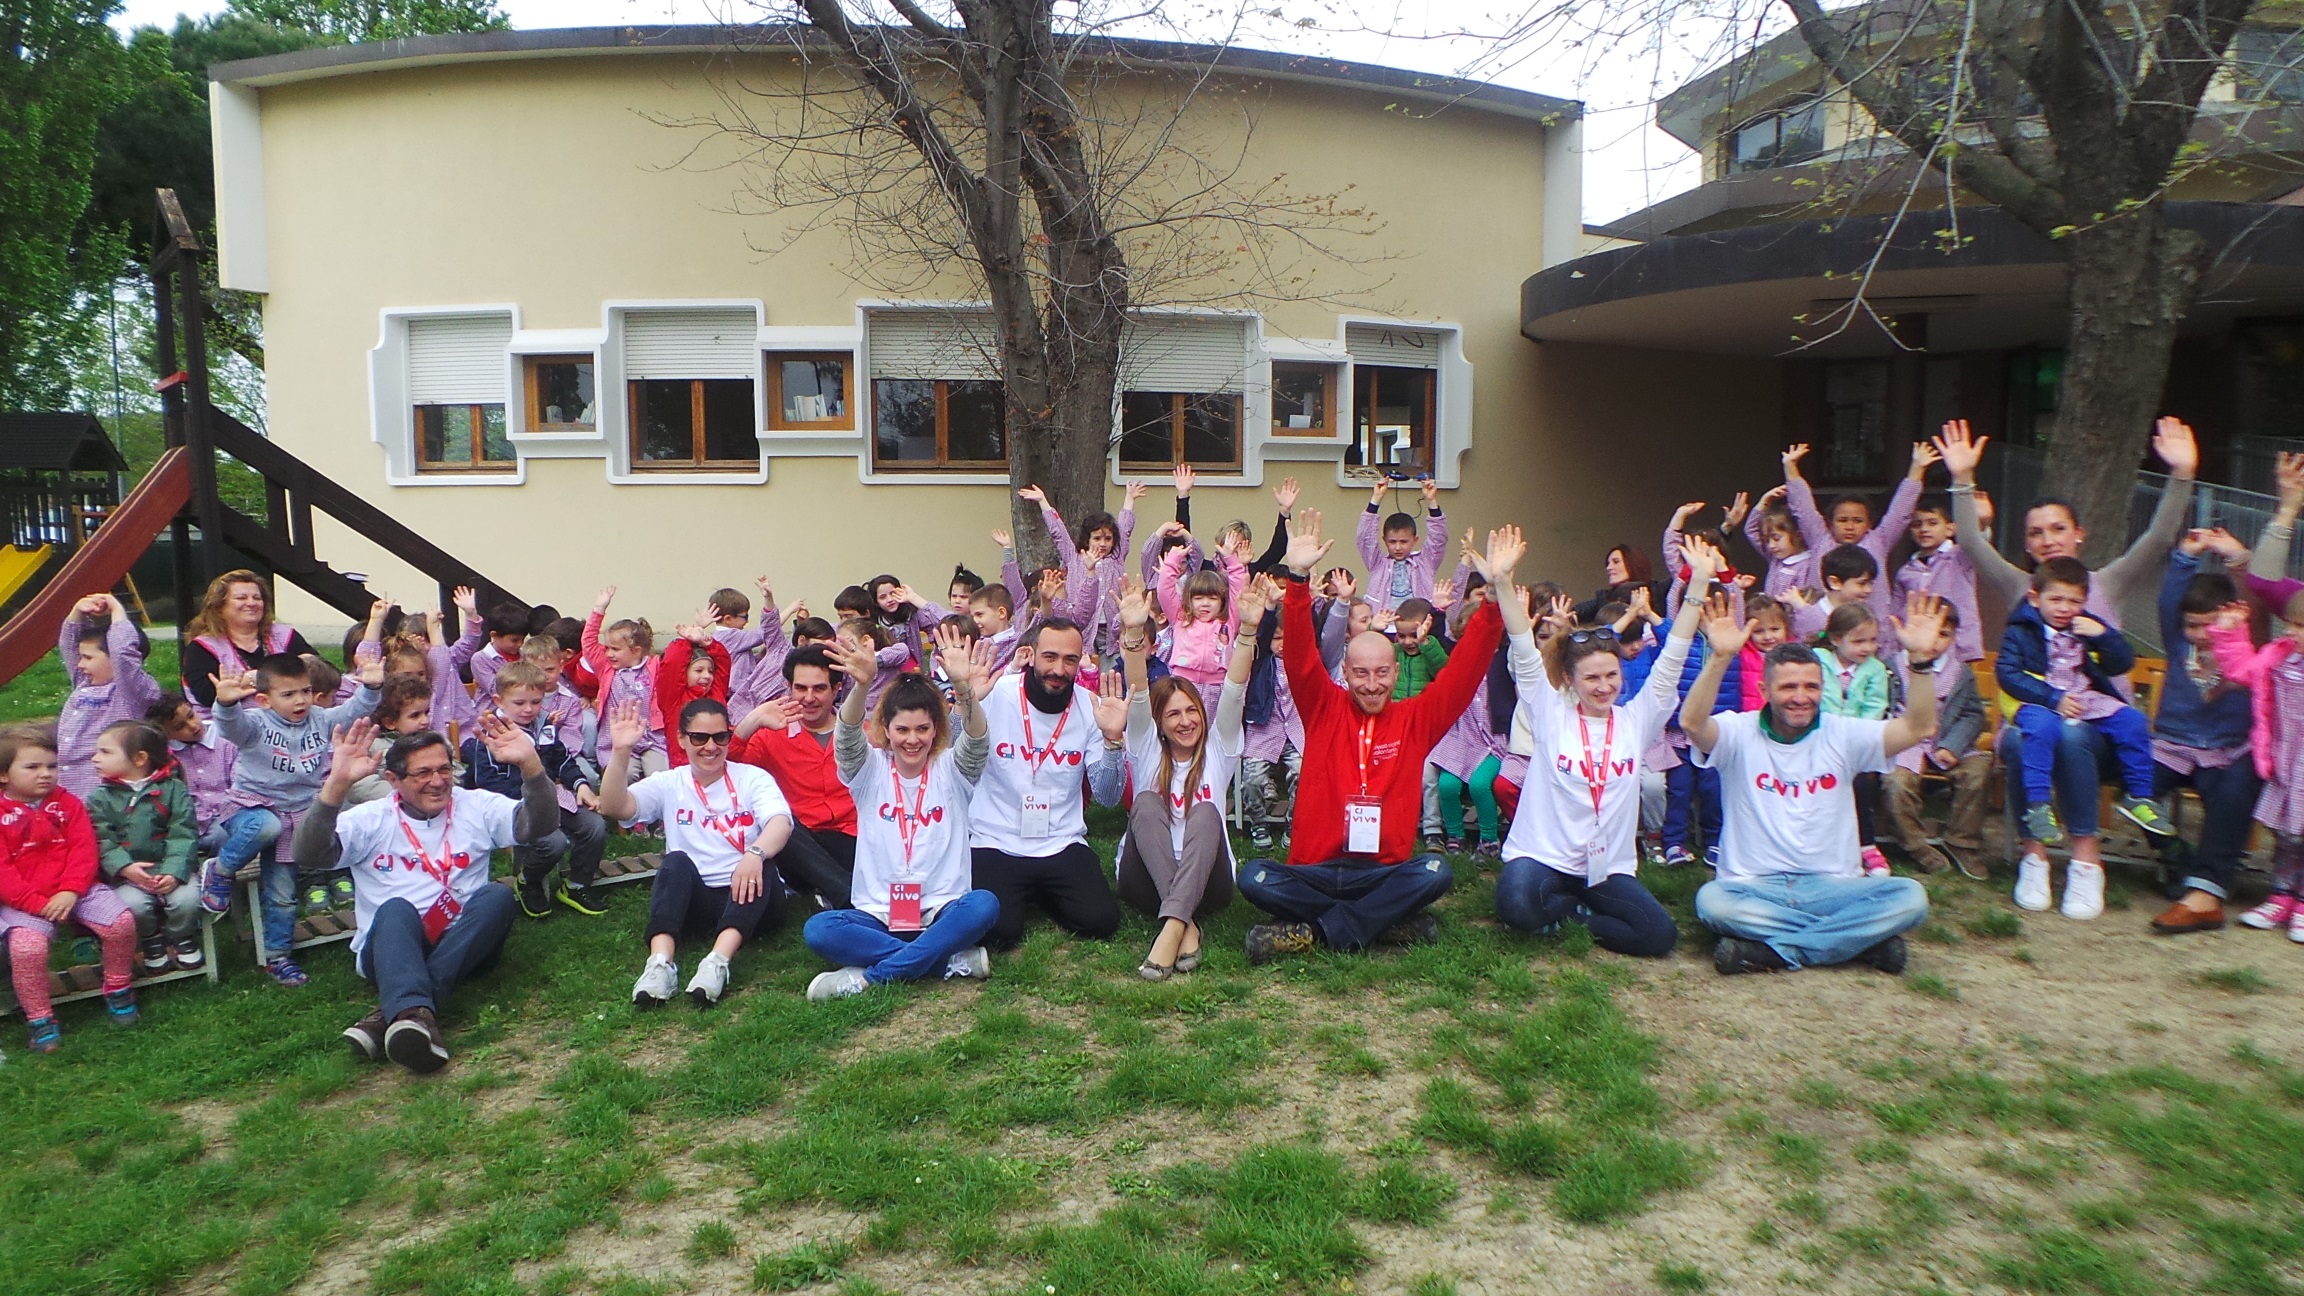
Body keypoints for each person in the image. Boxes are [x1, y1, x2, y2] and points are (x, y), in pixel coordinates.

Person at [1236, 512, 1509, 963]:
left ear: (1396, 672)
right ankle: (1384, 923)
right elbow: (1302, 657)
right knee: (1254, 878)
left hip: (1382, 871)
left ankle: (1316, 931)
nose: (1371, 684)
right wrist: (1299, 580)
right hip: (1315, 870)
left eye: (1382, 673)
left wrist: (1495, 599)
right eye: (1360, 673)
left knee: (1437, 869)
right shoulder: (1323, 708)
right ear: (1344, 673)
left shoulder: (1415, 719)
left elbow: (1463, 674)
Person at [1937, 417, 2197, 877]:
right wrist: (1961, 481)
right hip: (2036, 721)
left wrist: (2181, 475)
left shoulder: (2108, 584)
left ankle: (2084, 861)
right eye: (2036, 533)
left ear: (2080, 534)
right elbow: (1974, 546)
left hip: (2095, 729)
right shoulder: (2022, 587)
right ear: (2028, 545)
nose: (2047, 540)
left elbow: (2158, 539)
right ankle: (2033, 858)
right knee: (2019, 737)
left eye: (2058, 529)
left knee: (2075, 733)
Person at [1682, 590, 1952, 974]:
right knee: (1712, 903)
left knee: (1911, 897)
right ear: (1764, 691)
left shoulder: (1843, 734)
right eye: (1788, 687)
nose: (1800, 697)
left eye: (1810, 687)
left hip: (1833, 887)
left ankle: (1775, 952)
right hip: (1755, 887)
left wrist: (1921, 663)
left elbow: (1920, 727)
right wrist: (1721, 657)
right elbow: (1692, 723)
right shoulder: (1738, 733)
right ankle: (1857, 944)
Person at [1491, 532, 1724, 955]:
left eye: (1611, 676)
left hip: (1605, 868)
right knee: (1516, 903)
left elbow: (1672, 657)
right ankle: (1573, 912)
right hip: (1543, 857)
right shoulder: (1551, 713)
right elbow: (1525, 653)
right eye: (1592, 678)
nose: (1603, 687)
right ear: (1569, 680)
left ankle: (1573, 917)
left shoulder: (1637, 719)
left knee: (1659, 937)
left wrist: (1698, 587)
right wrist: (1504, 583)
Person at [293, 717, 556, 1074]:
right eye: (422, 773)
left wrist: (531, 766)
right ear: (393, 781)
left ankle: (396, 1015)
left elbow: (539, 826)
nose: (437, 781)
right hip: (391, 950)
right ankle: (416, 1015)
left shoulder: (474, 804)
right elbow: (309, 854)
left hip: (466, 943)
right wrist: (336, 786)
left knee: (497, 896)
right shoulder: (371, 817)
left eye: (444, 769)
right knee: (397, 910)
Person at [803, 627, 1001, 998]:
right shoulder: (869, 770)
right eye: (903, 729)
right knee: (819, 929)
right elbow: (845, 738)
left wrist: (962, 687)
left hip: (942, 911)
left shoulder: (952, 769)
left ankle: (868, 978)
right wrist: (861, 686)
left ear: (936, 729)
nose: (913, 739)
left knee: (983, 905)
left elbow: (977, 741)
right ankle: (946, 962)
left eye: (923, 729)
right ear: (886, 730)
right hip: (878, 914)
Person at [1997, 556, 2174, 918]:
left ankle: (2139, 797)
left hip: (2085, 702)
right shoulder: (2020, 631)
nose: (2065, 609)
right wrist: (2052, 699)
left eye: (2074, 601)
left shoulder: (2088, 628)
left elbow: (2120, 664)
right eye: (2056, 600)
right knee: (2036, 733)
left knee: (2133, 722)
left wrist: (2106, 636)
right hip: (2043, 701)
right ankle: (2038, 814)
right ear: (2035, 598)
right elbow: (2008, 673)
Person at [1115, 573, 1267, 978]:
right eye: (1173, 714)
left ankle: (1171, 931)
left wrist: (1248, 630)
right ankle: (1185, 925)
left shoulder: (1220, 748)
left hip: (1209, 881)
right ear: (1159, 724)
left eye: (1192, 711)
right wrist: (1133, 633)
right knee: (1146, 803)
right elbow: (1139, 690)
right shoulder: (1145, 747)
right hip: (1143, 878)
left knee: (1205, 814)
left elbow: (1234, 688)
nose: (1185, 722)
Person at [199, 652, 383, 985]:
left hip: (296, 814)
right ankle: (220, 869)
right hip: (251, 808)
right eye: (288, 694)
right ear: (263, 700)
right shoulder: (256, 723)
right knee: (266, 824)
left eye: (306, 691)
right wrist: (225, 705)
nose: (300, 700)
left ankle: (277, 957)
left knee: (283, 892)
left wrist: (371, 686)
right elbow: (232, 726)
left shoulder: (321, 719)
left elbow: (355, 710)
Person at [603, 698, 795, 1009]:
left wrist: (755, 853)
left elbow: (780, 822)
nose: (710, 747)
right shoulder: (670, 782)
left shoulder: (751, 777)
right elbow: (615, 807)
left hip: (752, 897)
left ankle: (717, 962)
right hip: (696, 900)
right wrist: (621, 752)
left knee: (764, 864)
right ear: (682, 739)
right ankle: (660, 964)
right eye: (699, 738)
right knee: (674, 862)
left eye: (720, 737)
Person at [969, 616, 1128, 950]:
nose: (1059, 669)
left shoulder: (1091, 706)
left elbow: (1108, 795)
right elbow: (955, 755)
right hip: (996, 839)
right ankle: (1026, 892)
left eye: (1070, 660)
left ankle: (1037, 890)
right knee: (999, 933)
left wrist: (1113, 742)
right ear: (1031, 655)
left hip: (1059, 840)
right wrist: (965, 703)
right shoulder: (997, 693)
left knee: (1100, 921)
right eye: (1050, 657)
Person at [2148, 530, 2273, 933]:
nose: (2200, 633)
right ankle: (2175, 855)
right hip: (2173, 745)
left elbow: (2254, 602)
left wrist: (2239, 561)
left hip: (2227, 750)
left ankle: (2206, 891)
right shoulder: (2178, 642)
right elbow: (2170, 600)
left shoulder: (2243, 643)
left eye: (2208, 624)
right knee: (2136, 788)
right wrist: (2185, 554)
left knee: (2234, 790)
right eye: (2192, 625)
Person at [0, 724, 139, 1052]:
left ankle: (118, 987)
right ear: (3, 775)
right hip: (24, 900)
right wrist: (35, 903)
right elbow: (2, 871)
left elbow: (84, 850)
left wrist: (71, 891)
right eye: (33, 767)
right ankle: (40, 1019)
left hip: (78, 889)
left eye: (51, 766)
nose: (45, 774)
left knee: (120, 923)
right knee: (27, 949)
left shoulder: (68, 804)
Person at [466, 663, 605, 919]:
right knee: (554, 842)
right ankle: (528, 880)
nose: (529, 709)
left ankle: (576, 885)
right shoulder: (491, 732)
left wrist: (580, 785)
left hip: (552, 797)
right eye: (519, 703)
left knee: (594, 826)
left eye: (536, 702)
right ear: (499, 700)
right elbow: (486, 781)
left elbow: (562, 758)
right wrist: (533, 797)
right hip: (516, 805)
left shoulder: (544, 723)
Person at [2204, 594, 2304, 940]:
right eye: (2291, 623)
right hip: (2286, 763)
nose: (2294, 632)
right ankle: (2281, 896)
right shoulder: (2279, 658)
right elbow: (2242, 670)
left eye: (2302, 626)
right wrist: (2231, 633)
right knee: (2287, 836)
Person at [734, 645, 861, 907]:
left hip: (853, 839)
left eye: (819, 688)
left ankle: (832, 887)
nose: (809, 697)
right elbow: (728, 776)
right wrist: (752, 721)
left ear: (836, 690)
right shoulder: (770, 735)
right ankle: (846, 897)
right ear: (788, 687)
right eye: (801, 688)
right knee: (781, 822)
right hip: (799, 846)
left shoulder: (861, 734)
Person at [1881, 603, 1992, 878]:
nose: (1935, 641)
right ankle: (1916, 845)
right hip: (1905, 743)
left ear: (1953, 637)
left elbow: (1972, 714)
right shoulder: (1891, 666)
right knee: (1895, 782)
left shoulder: (1960, 673)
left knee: (1978, 772)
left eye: (1943, 634)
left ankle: (1962, 842)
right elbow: (1882, 707)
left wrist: (1952, 746)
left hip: (1947, 742)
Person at [88, 720, 201, 972]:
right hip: (129, 876)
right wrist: (125, 868)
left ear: (139, 759)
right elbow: (102, 839)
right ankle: (151, 940)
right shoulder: (99, 798)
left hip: (171, 867)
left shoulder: (173, 789)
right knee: (133, 905)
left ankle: (181, 937)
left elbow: (183, 832)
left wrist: (174, 871)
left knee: (188, 899)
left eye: (105, 752)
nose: (95, 758)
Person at [1784, 440, 1935, 620]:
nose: (1849, 526)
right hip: (1821, 628)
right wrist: (1790, 467)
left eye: (1858, 521)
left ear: (1869, 524)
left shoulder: (1879, 540)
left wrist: (1917, 468)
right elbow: (1803, 509)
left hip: (1871, 630)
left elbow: (1901, 511)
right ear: (1830, 523)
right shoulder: (1820, 539)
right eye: (1842, 520)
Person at [56, 595, 163, 803]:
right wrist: (78, 611)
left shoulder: (132, 693)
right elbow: (68, 645)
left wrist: (117, 611)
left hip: (103, 793)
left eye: (88, 658)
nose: (79, 664)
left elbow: (123, 653)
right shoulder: (85, 682)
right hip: (66, 789)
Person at [1814, 602, 1893, 876]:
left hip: (1856, 744)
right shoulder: (1816, 661)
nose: (1867, 648)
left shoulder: (1875, 670)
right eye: (1859, 641)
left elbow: (1875, 706)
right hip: (1818, 741)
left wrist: (1856, 738)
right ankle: (1827, 849)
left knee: (1859, 787)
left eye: (1872, 640)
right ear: (1836, 639)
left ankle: (1865, 845)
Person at [179, 570, 318, 712]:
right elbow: (206, 695)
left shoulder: (283, 634)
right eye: (241, 598)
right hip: (227, 726)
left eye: (257, 598)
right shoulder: (202, 647)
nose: (251, 603)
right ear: (219, 608)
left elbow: (320, 669)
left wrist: (244, 682)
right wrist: (255, 679)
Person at [583, 586, 664, 780]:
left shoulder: (655, 666)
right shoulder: (607, 668)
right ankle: (621, 809)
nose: (608, 653)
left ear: (636, 651)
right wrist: (599, 610)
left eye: (615, 649)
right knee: (623, 776)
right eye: (607, 648)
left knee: (660, 775)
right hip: (616, 739)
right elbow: (588, 644)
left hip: (652, 738)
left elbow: (679, 661)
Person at [1893, 494, 1983, 664]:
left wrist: (1983, 522)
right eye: (1917, 524)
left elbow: (1978, 544)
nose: (1924, 529)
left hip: (1958, 647)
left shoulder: (1959, 556)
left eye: (1932, 523)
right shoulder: (1906, 570)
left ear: (1950, 529)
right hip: (1918, 647)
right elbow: (1896, 612)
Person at [1156, 531, 1247, 693]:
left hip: (1218, 685)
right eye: (1198, 598)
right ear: (1189, 600)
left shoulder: (1229, 621)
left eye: (1212, 598)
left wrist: (1232, 561)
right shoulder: (1180, 617)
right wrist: (1172, 561)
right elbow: (1164, 590)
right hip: (1183, 682)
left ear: (1222, 601)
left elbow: (1239, 591)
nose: (1205, 604)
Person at [1357, 478, 1448, 615]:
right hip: (1384, 625)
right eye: (1392, 542)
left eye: (1404, 542)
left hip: (1418, 624)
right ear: (1385, 540)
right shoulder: (1377, 563)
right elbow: (1365, 538)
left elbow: (1438, 539)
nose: (1398, 547)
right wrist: (1376, 498)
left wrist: (1431, 501)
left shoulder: (1425, 562)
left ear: (1414, 540)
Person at [655, 619, 732, 769]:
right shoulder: (673, 699)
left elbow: (723, 662)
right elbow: (672, 662)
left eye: (710, 671)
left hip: (716, 765)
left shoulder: (715, 692)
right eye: (698, 670)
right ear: (684, 673)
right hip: (683, 767)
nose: (707, 675)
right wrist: (687, 640)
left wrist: (709, 644)